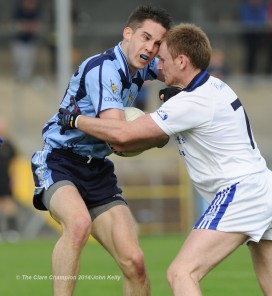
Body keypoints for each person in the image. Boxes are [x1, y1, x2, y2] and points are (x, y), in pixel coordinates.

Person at [58, 23, 272, 296]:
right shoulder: (214, 86)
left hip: (242, 192)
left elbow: (123, 135)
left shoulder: (189, 103)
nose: (158, 67)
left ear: (183, 61)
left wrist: (75, 119)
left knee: (181, 273)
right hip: (267, 188)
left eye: (164, 60)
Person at [31, 5, 172, 296]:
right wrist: (158, 135)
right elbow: (119, 139)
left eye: (157, 43)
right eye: (145, 37)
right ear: (128, 33)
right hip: (60, 160)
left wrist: (185, 90)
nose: (150, 47)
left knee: (135, 262)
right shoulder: (104, 68)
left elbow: (178, 66)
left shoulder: (141, 67)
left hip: (96, 168)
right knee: (79, 223)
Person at [11, 0, 41, 82]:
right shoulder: (19, 11)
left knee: (29, 62)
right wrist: (28, 26)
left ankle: (26, 79)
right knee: (19, 60)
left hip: (31, 41)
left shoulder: (35, 13)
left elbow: (36, 27)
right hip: (19, 41)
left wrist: (26, 26)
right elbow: (18, 26)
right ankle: (19, 78)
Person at [0, 118, 19, 242]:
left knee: (9, 205)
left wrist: (15, 179)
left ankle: (12, 231)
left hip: (5, 179)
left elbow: (14, 164)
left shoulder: (9, 146)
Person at [240, 0, 267, 74]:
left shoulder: (262, 8)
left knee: (260, 52)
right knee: (251, 53)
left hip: (259, 34)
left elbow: (263, 20)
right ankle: (249, 72)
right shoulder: (245, 8)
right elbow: (246, 20)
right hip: (249, 34)